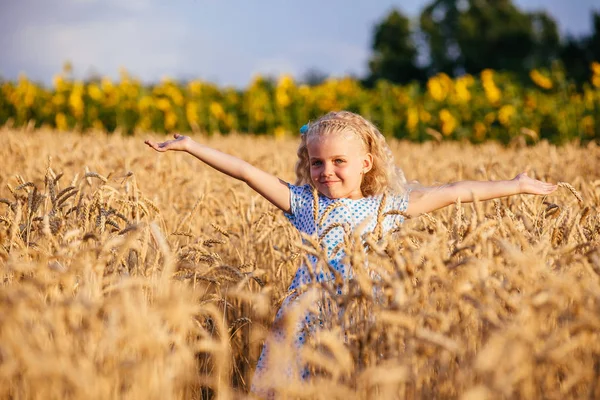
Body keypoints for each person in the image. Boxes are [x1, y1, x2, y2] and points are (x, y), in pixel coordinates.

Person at [144, 110, 557, 393]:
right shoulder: (307, 205)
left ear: (366, 163)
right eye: (317, 162)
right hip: (306, 316)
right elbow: (247, 172)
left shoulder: (388, 206)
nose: (326, 172)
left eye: (339, 161)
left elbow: (455, 192)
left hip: (364, 313)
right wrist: (193, 146)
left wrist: (515, 184)